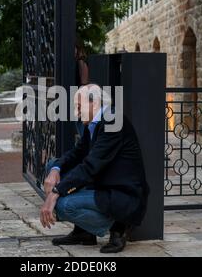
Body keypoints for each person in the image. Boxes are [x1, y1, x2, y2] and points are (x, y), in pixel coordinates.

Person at [40, 84, 149, 253]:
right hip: (103, 183)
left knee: (64, 204)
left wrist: (55, 192)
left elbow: (90, 166)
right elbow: (77, 154)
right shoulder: (94, 122)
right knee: (54, 166)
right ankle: (84, 232)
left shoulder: (113, 122)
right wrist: (55, 168)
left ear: (94, 104)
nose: (76, 112)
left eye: (78, 106)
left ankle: (118, 227)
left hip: (123, 194)